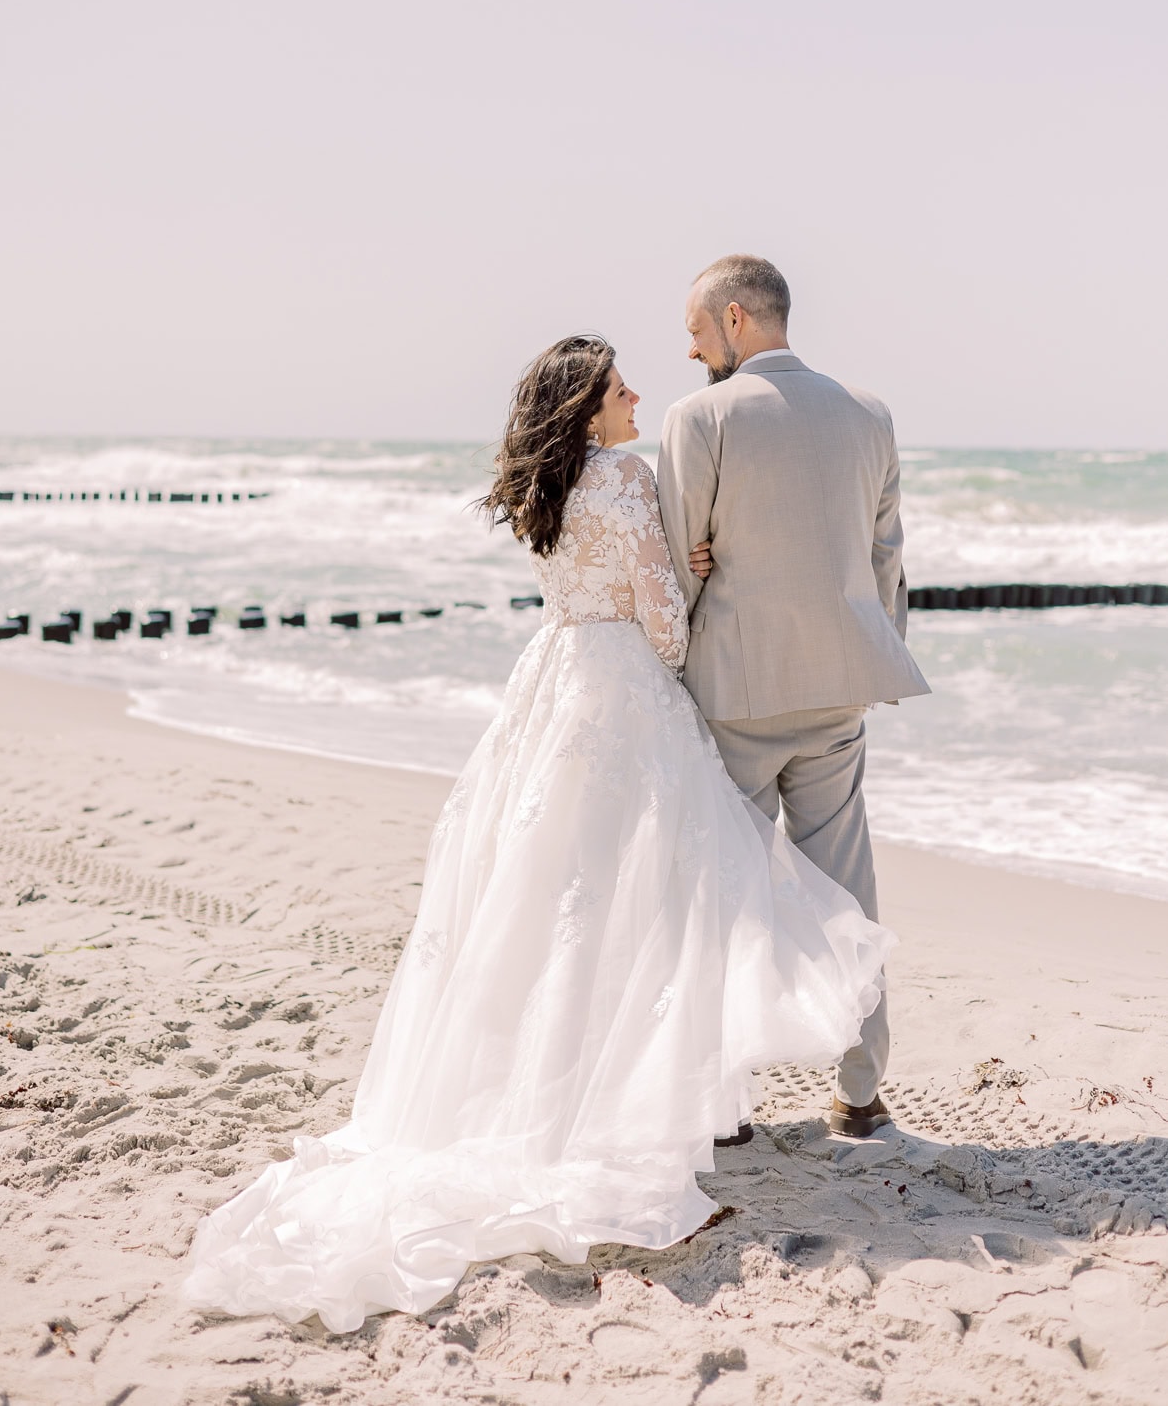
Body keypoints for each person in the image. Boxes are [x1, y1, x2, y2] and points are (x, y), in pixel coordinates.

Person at [183, 335, 893, 1332]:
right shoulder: (627, 478)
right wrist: (687, 578)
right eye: (620, 387)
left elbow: (586, 589)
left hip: (553, 686)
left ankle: (553, 1091)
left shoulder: (545, 486)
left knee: (543, 900)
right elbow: (665, 626)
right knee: (646, 905)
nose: (637, 395)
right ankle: (649, 1101)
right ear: (588, 406)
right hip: (624, 693)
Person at [656, 257, 930, 1141]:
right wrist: (869, 652)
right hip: (836, 691)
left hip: (733, 694)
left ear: (735, 319)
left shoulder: (698, 417)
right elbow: (886, 555)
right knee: (848, 891)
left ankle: (723, 1102)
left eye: (697, 330)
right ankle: (860, 1093)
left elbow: (677, 563)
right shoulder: (869, 412)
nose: (691, 349)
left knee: (722, 899)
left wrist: (669, 672)